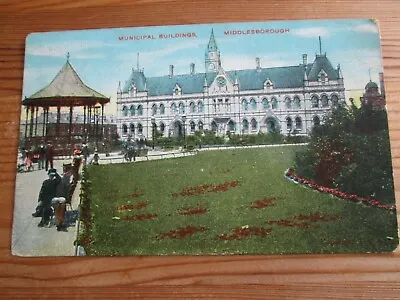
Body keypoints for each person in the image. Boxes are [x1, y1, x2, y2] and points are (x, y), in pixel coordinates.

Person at [52, 164, 73, 231]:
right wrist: (68, 200)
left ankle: (59, 222)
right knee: (62, 208)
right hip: (62, 198)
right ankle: (60, 223)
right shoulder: (66, 180)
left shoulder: (57, 181)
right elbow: (67, 192)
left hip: (55, 198)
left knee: (58, 207)